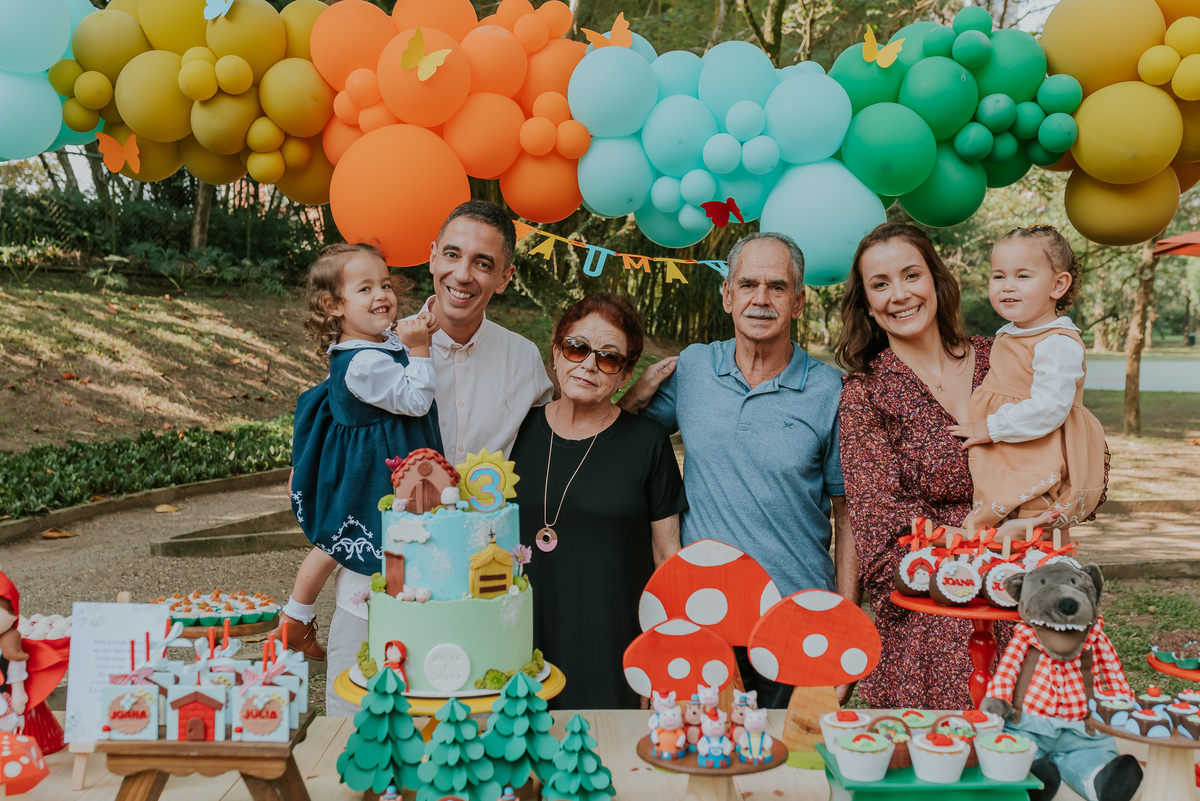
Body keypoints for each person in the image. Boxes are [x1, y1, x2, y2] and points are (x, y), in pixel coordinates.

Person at [323, 201, 553, 716]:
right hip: (375, 591)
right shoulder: (376, 345)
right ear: (431, 257)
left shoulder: (524, 360)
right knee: (355, 747)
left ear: (505, 277)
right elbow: (332, 446)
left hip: (479, 610)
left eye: (483, 262)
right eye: (452, 254)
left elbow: (564, 436)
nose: (463, 274)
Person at [619, 232, 851, 709]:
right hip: (700, 613)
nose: (760, 299)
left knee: (793, 772)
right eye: (747, 284)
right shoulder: (693, 369)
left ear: (800, 301)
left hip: (797, 613)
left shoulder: (831, 391)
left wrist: (843, 617)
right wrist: (635, 397)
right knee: (697, 762)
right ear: (727, 295)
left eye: (777, 287)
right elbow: (621, 443)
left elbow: (848, 519)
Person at [835, 222, 1060, 710]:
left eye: (911, 275)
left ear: (936, 280)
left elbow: (1056, 447)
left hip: (1026, 576)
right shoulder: (867, 394)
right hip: (935, 601)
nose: (899, 295)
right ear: (867, 303)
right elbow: (881, 536)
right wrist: (989, 535)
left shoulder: (999, 357)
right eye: (880, 284)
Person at [510, 293, 686, 710]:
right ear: (556, 353)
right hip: (518, 642)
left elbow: (668, 560)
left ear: (624, 375)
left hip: (614, 647)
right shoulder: (516, 429)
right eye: (577, 347)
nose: (588, 364)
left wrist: (658, 662)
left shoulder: (648, 444)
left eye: (608, 358)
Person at [278, 243, 442, 660]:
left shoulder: (367, 345)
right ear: (334, 305)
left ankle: (296, 616)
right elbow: (416, 401)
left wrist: (417, 330)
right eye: (365, 289)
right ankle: (295, 618)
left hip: (372, 461)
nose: (381, 296)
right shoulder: (364, 363)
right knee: (344, 541)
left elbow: (395, 342)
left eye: (385, 284)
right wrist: (421, 349)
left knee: (340, 540)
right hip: (373, 470)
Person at [947, 225, 1107, 530]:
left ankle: (1038, 563)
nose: (1008, 286)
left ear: (1058, 285)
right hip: (1012, 443)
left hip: (1036, 445)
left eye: (1022, 276)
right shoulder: (1014, 333)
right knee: (1000, 504)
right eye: (999, 276)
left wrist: (992, 426)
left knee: (1032, 510)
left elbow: (1049, 408)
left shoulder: (1056, 342)